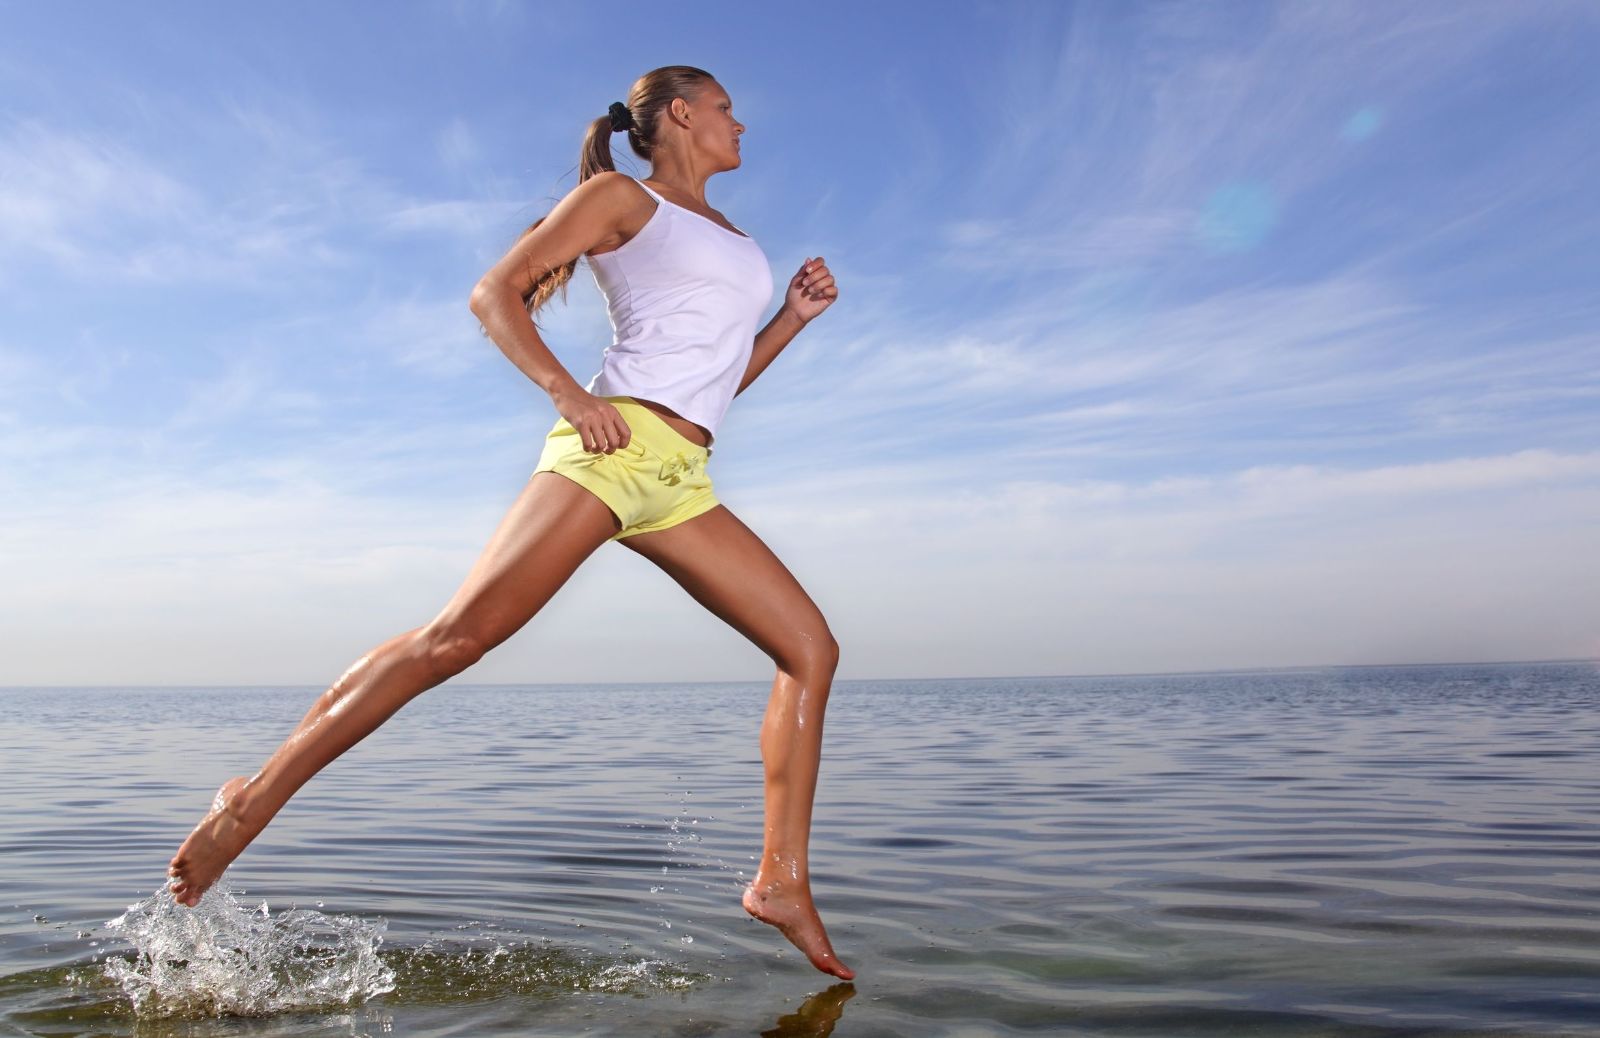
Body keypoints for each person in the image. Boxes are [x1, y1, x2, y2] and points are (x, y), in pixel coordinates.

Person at [165, 65, 852, 981]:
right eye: (727, 107)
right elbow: (496, 291)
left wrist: (791, 321)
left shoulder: (731, 233)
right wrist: (572, 398)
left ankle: (780, 879)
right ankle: (246, 805)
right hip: (612, 447)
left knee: (810, 647)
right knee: (456, 640)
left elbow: (716, 387)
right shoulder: (620, 196)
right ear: (682, 115)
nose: (742, 123)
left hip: (683, 477)